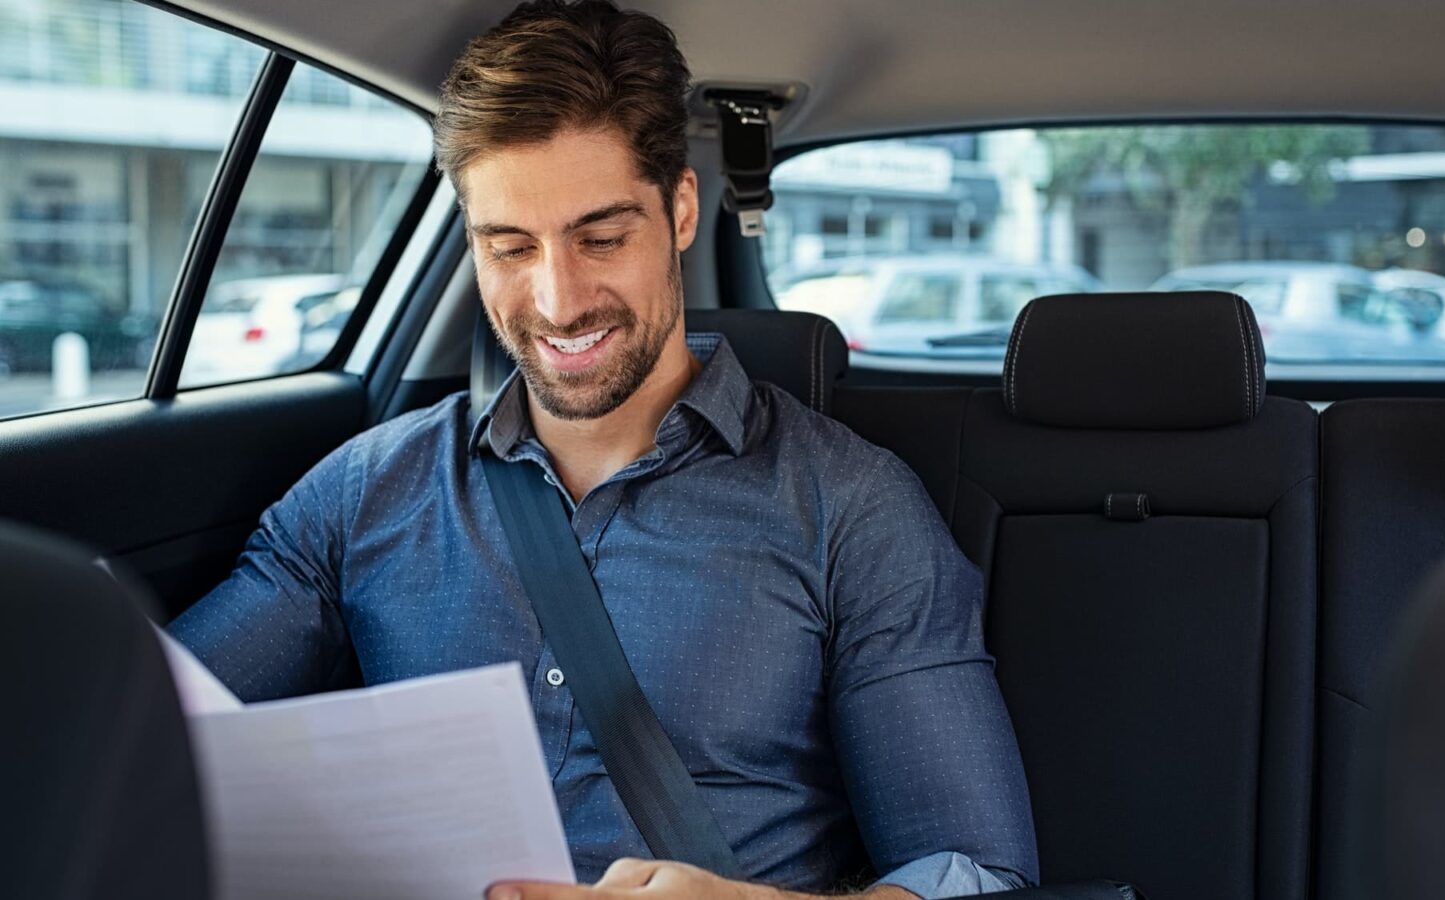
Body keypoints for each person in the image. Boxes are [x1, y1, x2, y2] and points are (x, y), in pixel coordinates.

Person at [169, 2, 1038, 897]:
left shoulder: (851, 507)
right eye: (510, 247)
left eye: (602, 237)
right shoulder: (362, 494)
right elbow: (141, 735)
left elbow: (980, 872)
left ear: (682, 210)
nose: (557, 300)